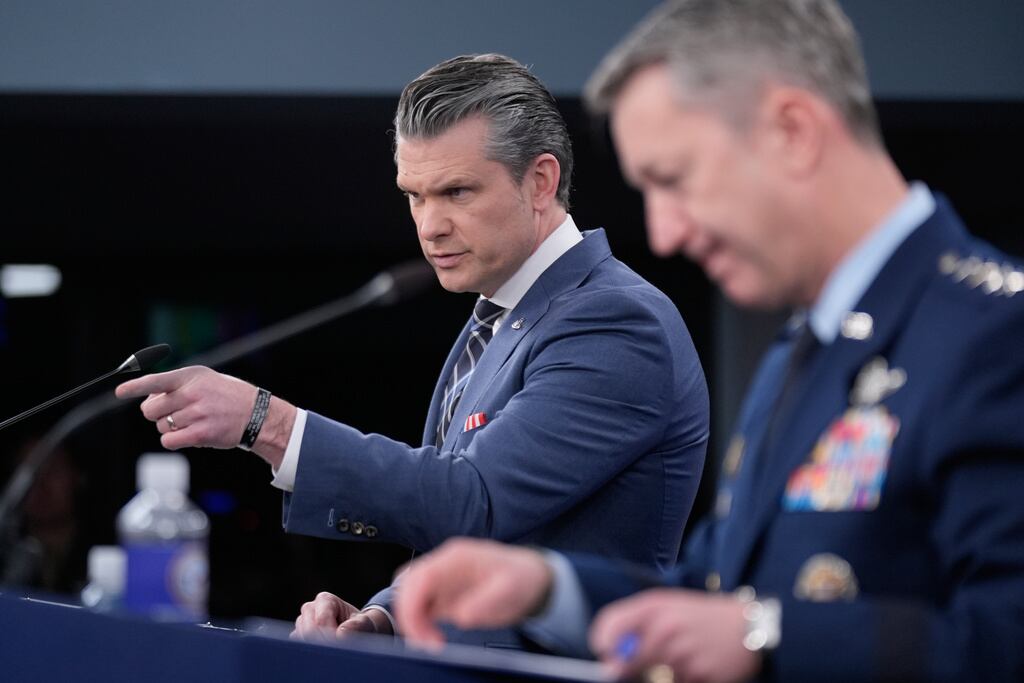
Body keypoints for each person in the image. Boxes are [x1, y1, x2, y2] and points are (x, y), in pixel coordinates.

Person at [391, 2, 1024, 681]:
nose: (664, 233)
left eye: (675, 179)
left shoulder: (999, 334)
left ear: (792, 131)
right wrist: (548, 586)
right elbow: (717, 591)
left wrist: (766, 635)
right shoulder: (802, 350)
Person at [115, 54, 709, 645]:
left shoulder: (615, 321)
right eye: (414, 196)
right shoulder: (498, 317)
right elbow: (469, 544)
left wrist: (267, 423)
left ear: (540, 181)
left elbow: (475, 502)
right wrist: (388, 617)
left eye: (456, 191)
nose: (429, 225)